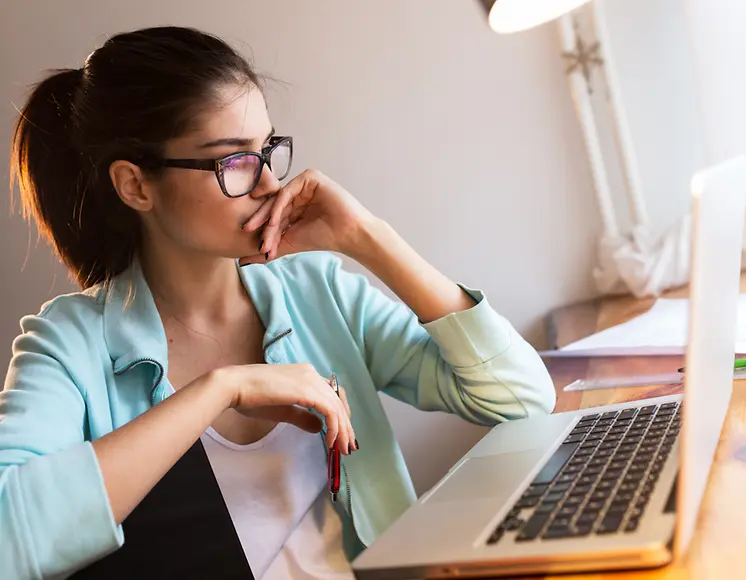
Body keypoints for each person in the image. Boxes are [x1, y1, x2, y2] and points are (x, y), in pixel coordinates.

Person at [0, 26, 556, 580]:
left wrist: (366, 237)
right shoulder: (66, 344)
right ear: (136, 186)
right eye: (233, 161)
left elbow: (522, 400)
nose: (268, 182)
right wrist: (223, 389)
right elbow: (9, 539)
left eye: (267, 150)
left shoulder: (317, 291)